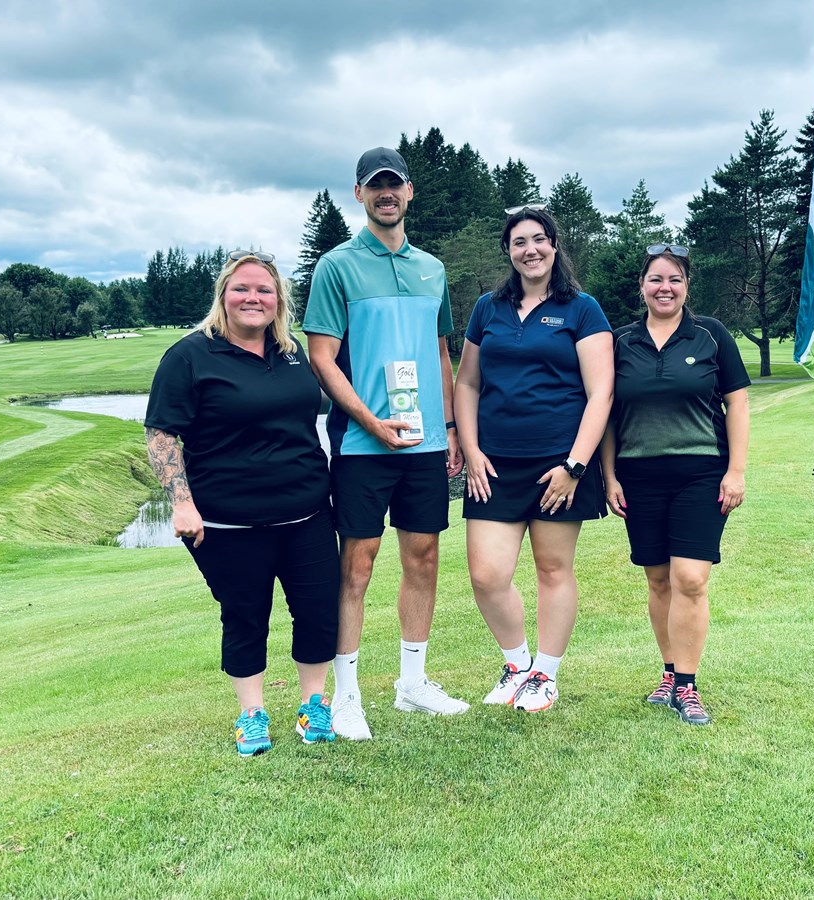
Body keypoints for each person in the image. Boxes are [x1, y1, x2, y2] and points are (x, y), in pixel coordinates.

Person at [144, 250, 338, 756]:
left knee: (318, 612)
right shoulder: (189, 356)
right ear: (223, 296)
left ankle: (313, 705)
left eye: (264, 290)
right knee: (246, 614)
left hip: (308, 513)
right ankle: (252, 713)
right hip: (228, 522)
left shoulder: (292, 352)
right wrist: (181, 504)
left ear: (279, 300)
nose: (253, 298)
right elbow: (163, 434)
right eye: (242, 289)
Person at [303, 147, 467, 740]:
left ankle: (411, 684)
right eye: (375, 187)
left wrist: (449, 427)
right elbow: (322, 358)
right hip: (362, 444)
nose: (386, 194)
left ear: (409, 191)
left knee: (423, 557)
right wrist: (371, 422)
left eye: (394, 185)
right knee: (357, 565)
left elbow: (442, 350)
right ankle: (346, 696)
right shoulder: (337, 266)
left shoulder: (432, 268)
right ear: (360, 195)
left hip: (423, 443)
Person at [454, 207, 613, 712]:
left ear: (554, 245)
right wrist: (472, 450)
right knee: (486, 574)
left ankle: (546, 672)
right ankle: (517, 664)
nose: (531, 250)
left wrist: (575, 467)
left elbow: (601, 393)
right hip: (494, 464)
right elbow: (467, 382)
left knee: (552, 568)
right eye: (520, 241)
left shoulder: (582, 308)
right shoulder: (488, 308)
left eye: (539, 240)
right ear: (508, 251)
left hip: (559, 465)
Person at [600, 245, 750, 726]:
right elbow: (604, 415)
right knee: (658, 579)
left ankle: (686, 685)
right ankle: (668, 673)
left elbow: (738, 405)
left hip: (702, 473)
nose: (665, 288)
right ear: (641, 286)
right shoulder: (619, 341)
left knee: (691, 578)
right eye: (656, 279)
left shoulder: (711, 335)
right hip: (638, 476)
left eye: (675, 280)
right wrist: (608, 477)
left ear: (687, 286)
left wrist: (736, 470)